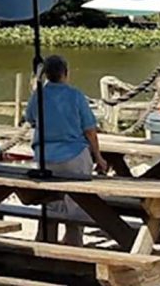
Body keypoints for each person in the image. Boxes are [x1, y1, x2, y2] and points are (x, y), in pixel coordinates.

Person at [25, 55, 107, 246]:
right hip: (74, 155)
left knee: (50, 205)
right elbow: (90, 130)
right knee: (78, 205)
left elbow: (30, 118)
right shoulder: (76, 95)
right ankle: (73, 241)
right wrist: (98, 156)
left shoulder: (38, 96)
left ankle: (47, 241)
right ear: (66, 73)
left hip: (46, 157)